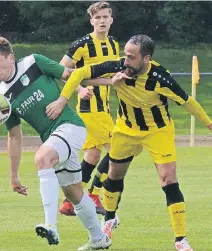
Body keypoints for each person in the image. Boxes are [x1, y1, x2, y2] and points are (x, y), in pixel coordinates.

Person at [46, 34, 212, 251]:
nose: (125, 60)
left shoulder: (161, 78)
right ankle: (110, 220)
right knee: (114, 175)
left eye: (131, 57)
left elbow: (188, 102)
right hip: (125, 130)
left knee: (168, 179)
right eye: (125, 54)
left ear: (146, 58)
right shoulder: (119, 67)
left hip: (157, 131)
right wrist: (62, 100)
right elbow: (79, 73)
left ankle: (181, 240)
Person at [0, 36, 112, 250]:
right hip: (56, 140)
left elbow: (69, 75)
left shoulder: (33, 62)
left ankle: (51, 225)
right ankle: (99, 239)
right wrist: (13, 175)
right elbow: (14, 136)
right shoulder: (2, 99)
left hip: (71, 126)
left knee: (43, 158)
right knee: (74, 194)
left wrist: (78, 91)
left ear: (11, 58)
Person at [59, 1, 120, 216]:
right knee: (118, 152)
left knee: (92, 156)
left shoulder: (114, 44)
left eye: (105, 17)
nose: (102, 21)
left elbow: (112, 76)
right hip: (90, 108)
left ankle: (69, 202)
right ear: (91, 20)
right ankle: (93, 193)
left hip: (104, 107)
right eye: (98, 18)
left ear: (111, 19)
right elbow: (61, 69)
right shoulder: (82, 44)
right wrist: (79, 89)